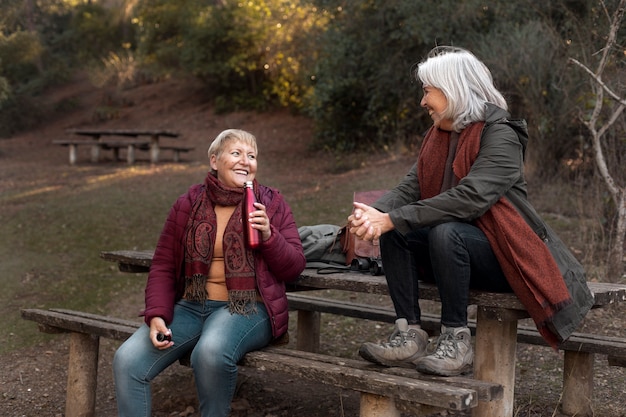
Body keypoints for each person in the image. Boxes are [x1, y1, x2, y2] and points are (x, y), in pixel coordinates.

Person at [348, 46, 593, 377]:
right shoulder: (438, 136)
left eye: (427, 91)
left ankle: (456, 342)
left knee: (445, 231)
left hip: (506, 255)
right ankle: (408, 334)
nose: (422, 102)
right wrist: (374, 216)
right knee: (399, 231)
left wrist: (393, 217)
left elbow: (470, 197)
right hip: (452, 254)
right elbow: (411, 188)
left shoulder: (500, 134)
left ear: (452, 89)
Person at [113, 129, 306, 416]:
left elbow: (294, 267)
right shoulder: (188, 203)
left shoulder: (271, 203)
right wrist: (157, 316)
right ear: (214, 161)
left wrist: (268, 234)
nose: (245, 161)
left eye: (251, 156)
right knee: (127, 360)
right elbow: (164, 264)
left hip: (248, 309)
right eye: (236, 153)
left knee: (210, 353)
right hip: (191, 307)